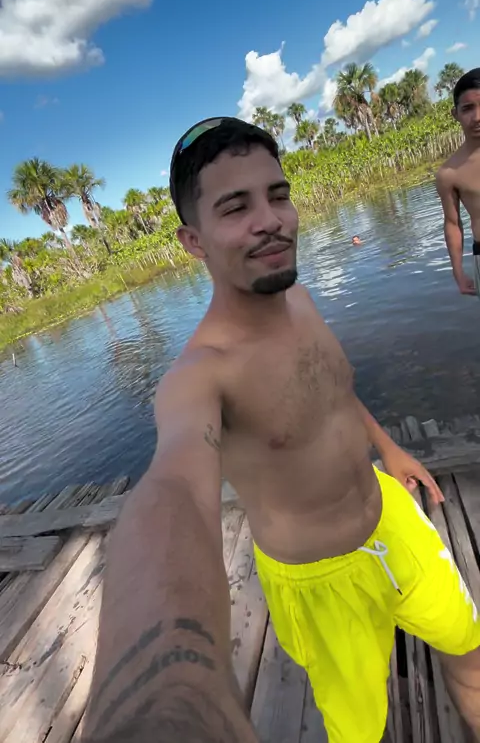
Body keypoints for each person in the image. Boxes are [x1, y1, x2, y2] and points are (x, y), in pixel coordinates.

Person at [83, 117, 480, 743]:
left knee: (470, 651)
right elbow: (175, 490)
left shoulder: (298, 298)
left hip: (392, 520)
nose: (270, 220)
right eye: (236, 207)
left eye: (278, 195)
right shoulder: (200, 376)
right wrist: (169, 698)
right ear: (193, 240)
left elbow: (333, 392)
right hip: (320, 584)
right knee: (360, 730)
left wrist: (388, 449)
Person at [436, 68, 480, 296]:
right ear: (456, 114)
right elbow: (453, 224)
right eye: (468, 108)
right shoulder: (449, 173)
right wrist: (458, 272)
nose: (477, 117)